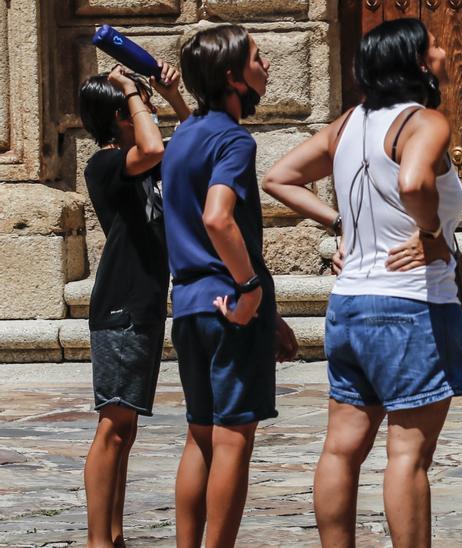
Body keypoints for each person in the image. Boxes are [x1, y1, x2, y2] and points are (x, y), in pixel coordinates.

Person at [263, 18, 462, 547]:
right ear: (417, 64)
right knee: (408, 457)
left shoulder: (347, 123)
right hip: (411, 306)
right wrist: (432, 235)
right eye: (433, 46)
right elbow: (413, 180)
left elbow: (279, 177)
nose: (443, 52)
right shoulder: (424, 122)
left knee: (341, 449)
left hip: (350, 303)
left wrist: (340, 224)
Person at [161, 24, 298, 548]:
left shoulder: (183, 139)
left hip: (191, 306)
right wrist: (251, 290)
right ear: (231, 77)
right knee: (234, 439)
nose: (266, 67)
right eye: (258, 59)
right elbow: (220, 219)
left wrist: (271, 314)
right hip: (229, 307)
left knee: (199, 435)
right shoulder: (235, 140)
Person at [79, 61, 189, 548]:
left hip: (142, 305)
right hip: (120, 306)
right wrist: (129, 88)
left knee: (124, 428)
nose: (142, 110)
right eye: (133, 105)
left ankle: (115, 535)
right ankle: (98, 541)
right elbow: (155, 146)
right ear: (119, 115)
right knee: (112, 425)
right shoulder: (105, 163)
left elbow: (191, 141)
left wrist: (170, 95)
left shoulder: (144, 160)